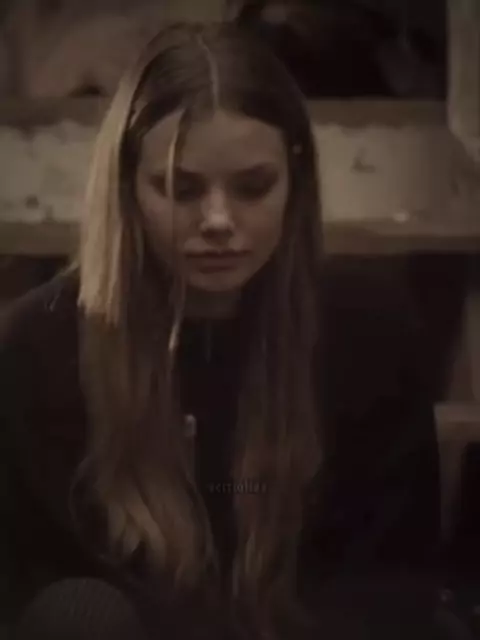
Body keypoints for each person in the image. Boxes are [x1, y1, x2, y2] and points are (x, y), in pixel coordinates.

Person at [1, 22, 442, 640]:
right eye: (180, 189)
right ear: (128, 187)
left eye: (253, 187)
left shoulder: (369, 331)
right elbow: (32, 585)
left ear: (295, 178)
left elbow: (393, 582)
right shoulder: (38, 346)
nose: (217, 220)